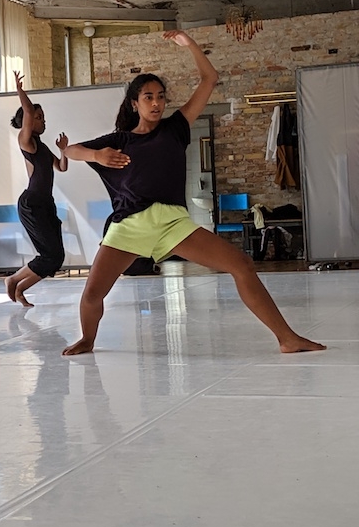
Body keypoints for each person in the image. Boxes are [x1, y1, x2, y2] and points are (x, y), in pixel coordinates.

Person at [61, 30, 326, 356]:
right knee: (92, 293)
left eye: (160, 96)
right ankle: (88, 339)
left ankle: (287, 338)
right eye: (148, 97)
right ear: (134, 103)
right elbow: (72, 150)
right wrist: (98, 155)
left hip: (172, 222)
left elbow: (209, 78)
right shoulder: (119, 141)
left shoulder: (176, 128)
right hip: (129, 225)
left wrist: (189, 44)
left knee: (242, 265)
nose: (156, 102)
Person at [5, 71, 68, 307]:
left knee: (56, 257)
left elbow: (61, 167)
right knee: (49, 255)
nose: (43, 120)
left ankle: (17, 283)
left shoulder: (41, 147)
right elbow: (28, 112)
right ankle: (14, 283)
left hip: (45, 204)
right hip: (31, 204)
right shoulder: (27, 142)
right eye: (39, 117)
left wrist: (63, 150)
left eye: (43, 117)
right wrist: (19, 89)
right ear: (28, 122)